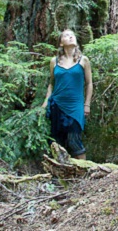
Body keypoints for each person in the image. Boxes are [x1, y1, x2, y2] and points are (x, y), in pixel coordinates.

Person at [41, 29, 93, 160]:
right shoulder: (54, 61)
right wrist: (45, 102)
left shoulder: (83, 60)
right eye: (66, 35)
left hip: (75, 106)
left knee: (74, 141)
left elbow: (89, 84)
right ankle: (60, 174)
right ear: (61, 43)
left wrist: (87, 104)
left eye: (72, 35)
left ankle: (84, 175)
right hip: (57, 104)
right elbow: (52, 84)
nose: (70, 37)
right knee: (57, 142)